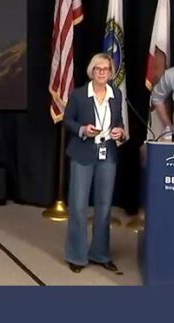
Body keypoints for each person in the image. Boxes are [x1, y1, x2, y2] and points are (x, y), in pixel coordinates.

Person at [63, 52, 126, 273]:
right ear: (92, 71)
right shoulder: (80, 95)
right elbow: (67, 120)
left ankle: (100, 253)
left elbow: (118, 123)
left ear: (111, 73)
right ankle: (76, 255)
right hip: (82, 154)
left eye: (106, 69)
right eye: (98, 69)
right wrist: (82, 130)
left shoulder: (116, 94)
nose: (101, 73)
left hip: (107, 154)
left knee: (104, 207)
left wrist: (121, 132)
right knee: (79, 206)